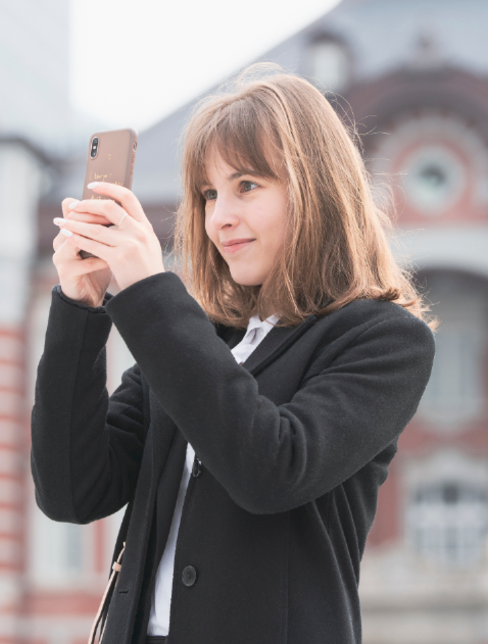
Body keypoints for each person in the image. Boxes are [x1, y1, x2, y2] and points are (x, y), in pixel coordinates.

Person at [31, 64, 436, 644]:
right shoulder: (194, 338)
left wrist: (150, 292)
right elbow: (72, 491)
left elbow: (271, 468)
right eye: (207, 194)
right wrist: (80, 308)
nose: (219, 217)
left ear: (315, 190)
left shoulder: (383, 339)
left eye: (247, 185)